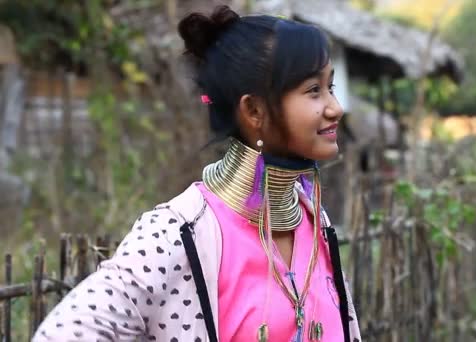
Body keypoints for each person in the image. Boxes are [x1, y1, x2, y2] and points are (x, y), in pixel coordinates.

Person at [33, 5, 361, 342]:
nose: (335, 108)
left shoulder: (312, 220)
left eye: (330, 87)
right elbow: (64, 333)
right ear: (254, 110)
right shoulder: (180, 233)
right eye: (313, 91)